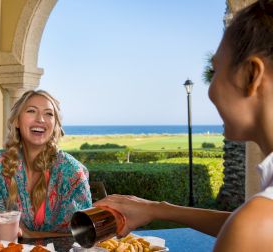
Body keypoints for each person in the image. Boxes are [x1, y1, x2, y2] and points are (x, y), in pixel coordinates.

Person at [95, 1, 273, 251]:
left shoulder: (254, 223)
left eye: (214, 71)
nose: (210, 91)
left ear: (251, 75)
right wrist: (156, 209)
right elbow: (244, 223)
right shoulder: (258, 220)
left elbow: (248, 227)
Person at [0, 90, 92, 238]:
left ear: (55, 125)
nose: (41, 119)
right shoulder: (0, 162)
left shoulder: (72, 172)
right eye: (31, 111)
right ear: (17, 121)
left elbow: (85, 235)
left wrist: (30, 234)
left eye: (48, 114)